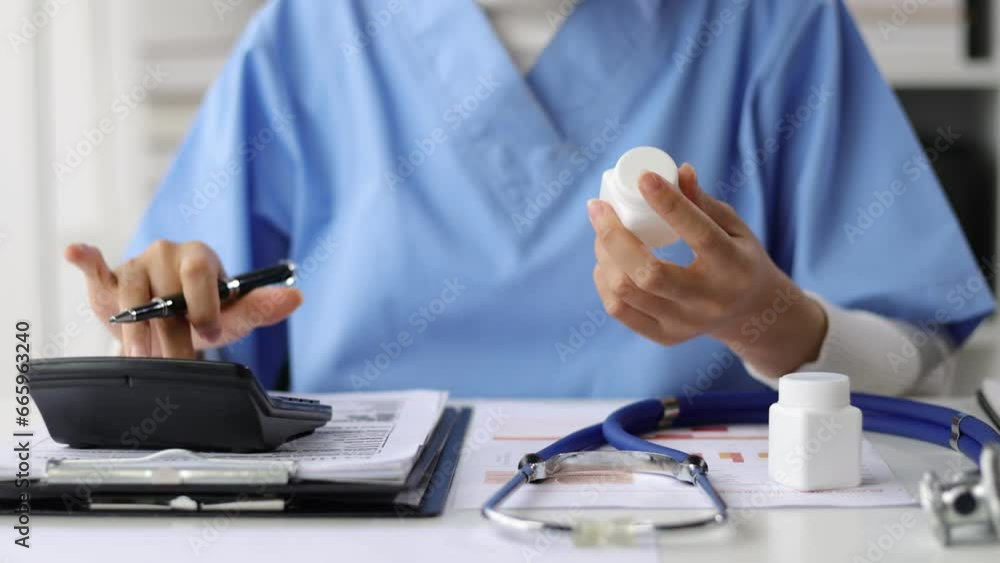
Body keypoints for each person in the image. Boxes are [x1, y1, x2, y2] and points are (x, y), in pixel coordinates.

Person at [65, 0, 993, 397]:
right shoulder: (316, 34)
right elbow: (200, 384)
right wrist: (171, 344)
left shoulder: (771, 25)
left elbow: (921, 361)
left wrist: (769, 319)